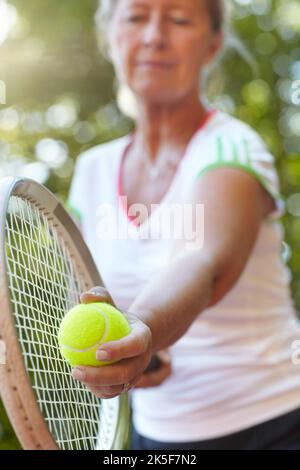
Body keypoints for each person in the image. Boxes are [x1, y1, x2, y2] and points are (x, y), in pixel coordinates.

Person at [67, 0, 300, 450]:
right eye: (136, 17)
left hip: (277, 421)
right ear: (110, 37)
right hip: (155, 437)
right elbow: (84, 295)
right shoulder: (91, 171)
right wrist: (146, 355)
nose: (155, 36)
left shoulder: (232, 145)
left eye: (178, 19)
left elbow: (205, 259)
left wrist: (143, 328)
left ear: (212, 44)